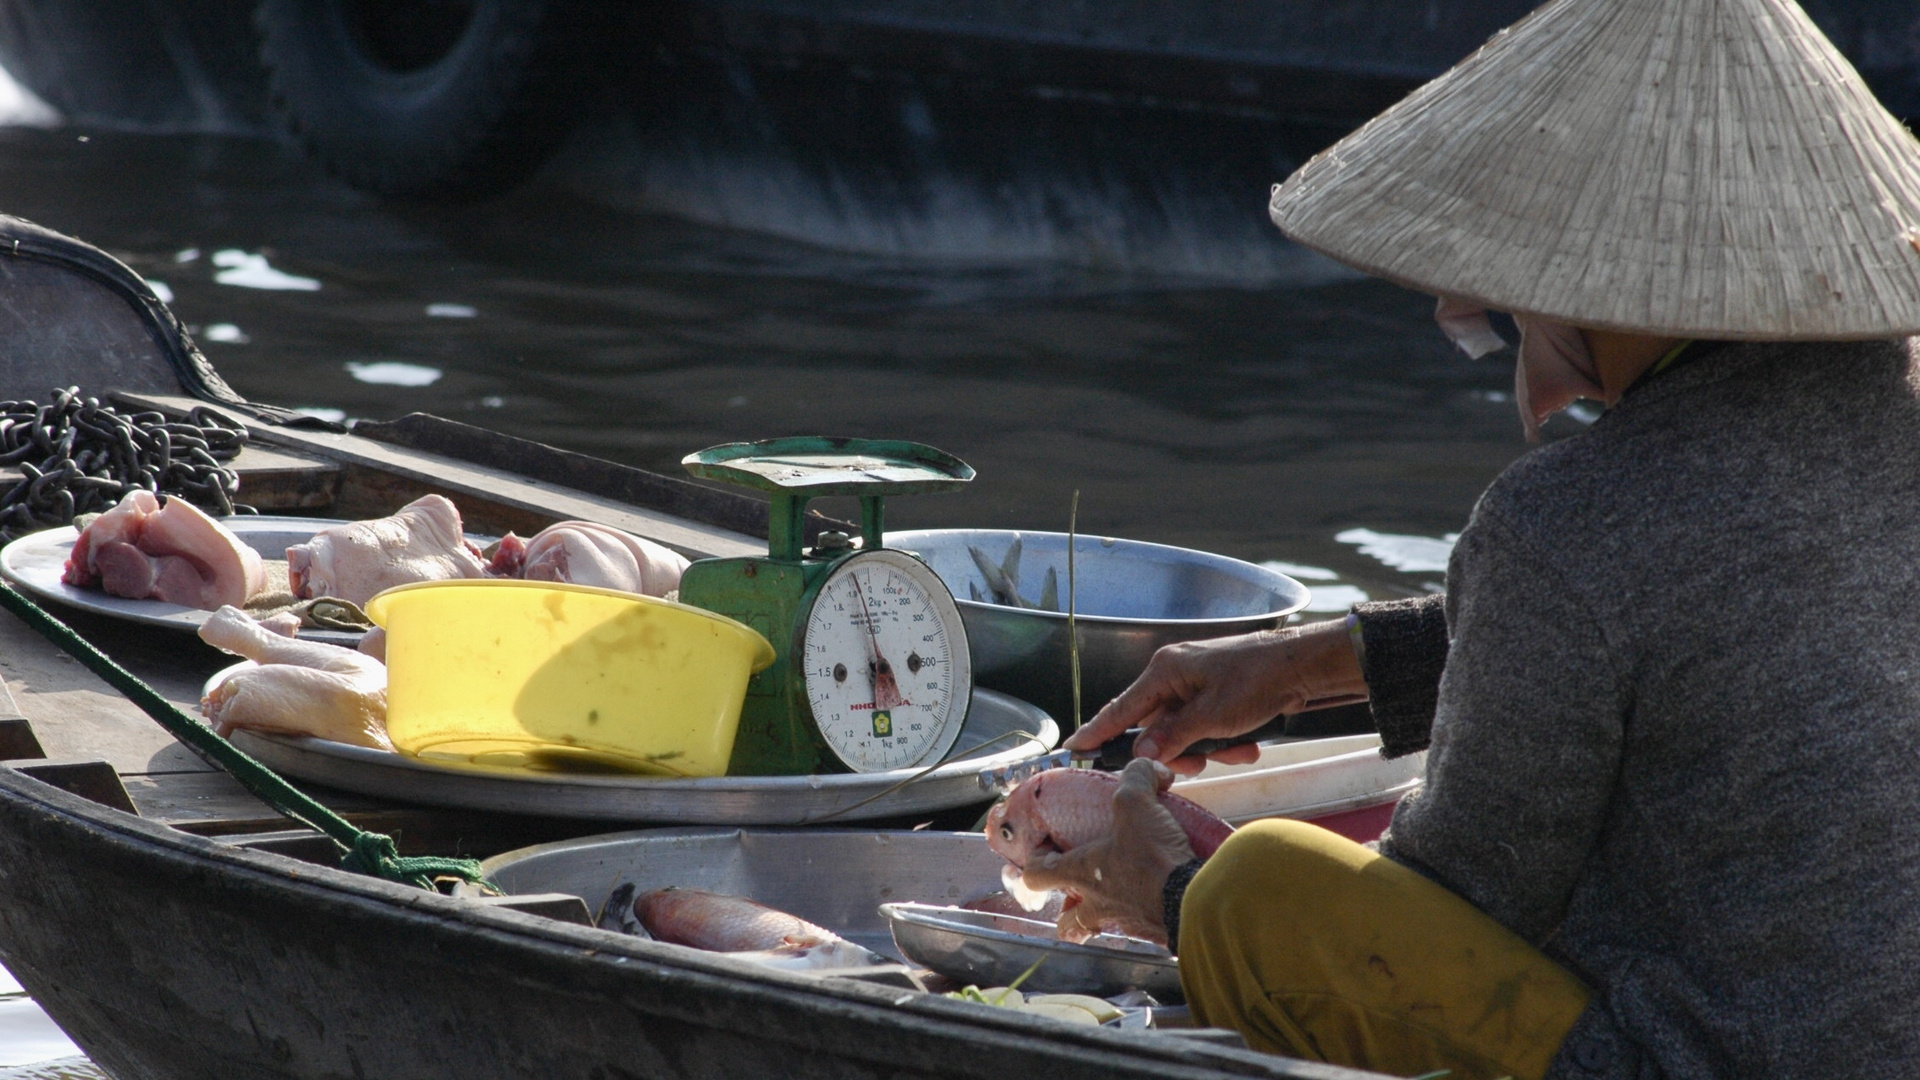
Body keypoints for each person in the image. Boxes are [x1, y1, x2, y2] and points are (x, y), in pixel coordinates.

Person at [1017, 0, 1920, 1077]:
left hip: (1723, 1058)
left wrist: (1170, 890)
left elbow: (1466, 896)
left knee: (1262, 890)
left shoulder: (1571, 522)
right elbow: (1688, 629)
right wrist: (1303, 668)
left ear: (1574, 285)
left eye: (1501, 311)